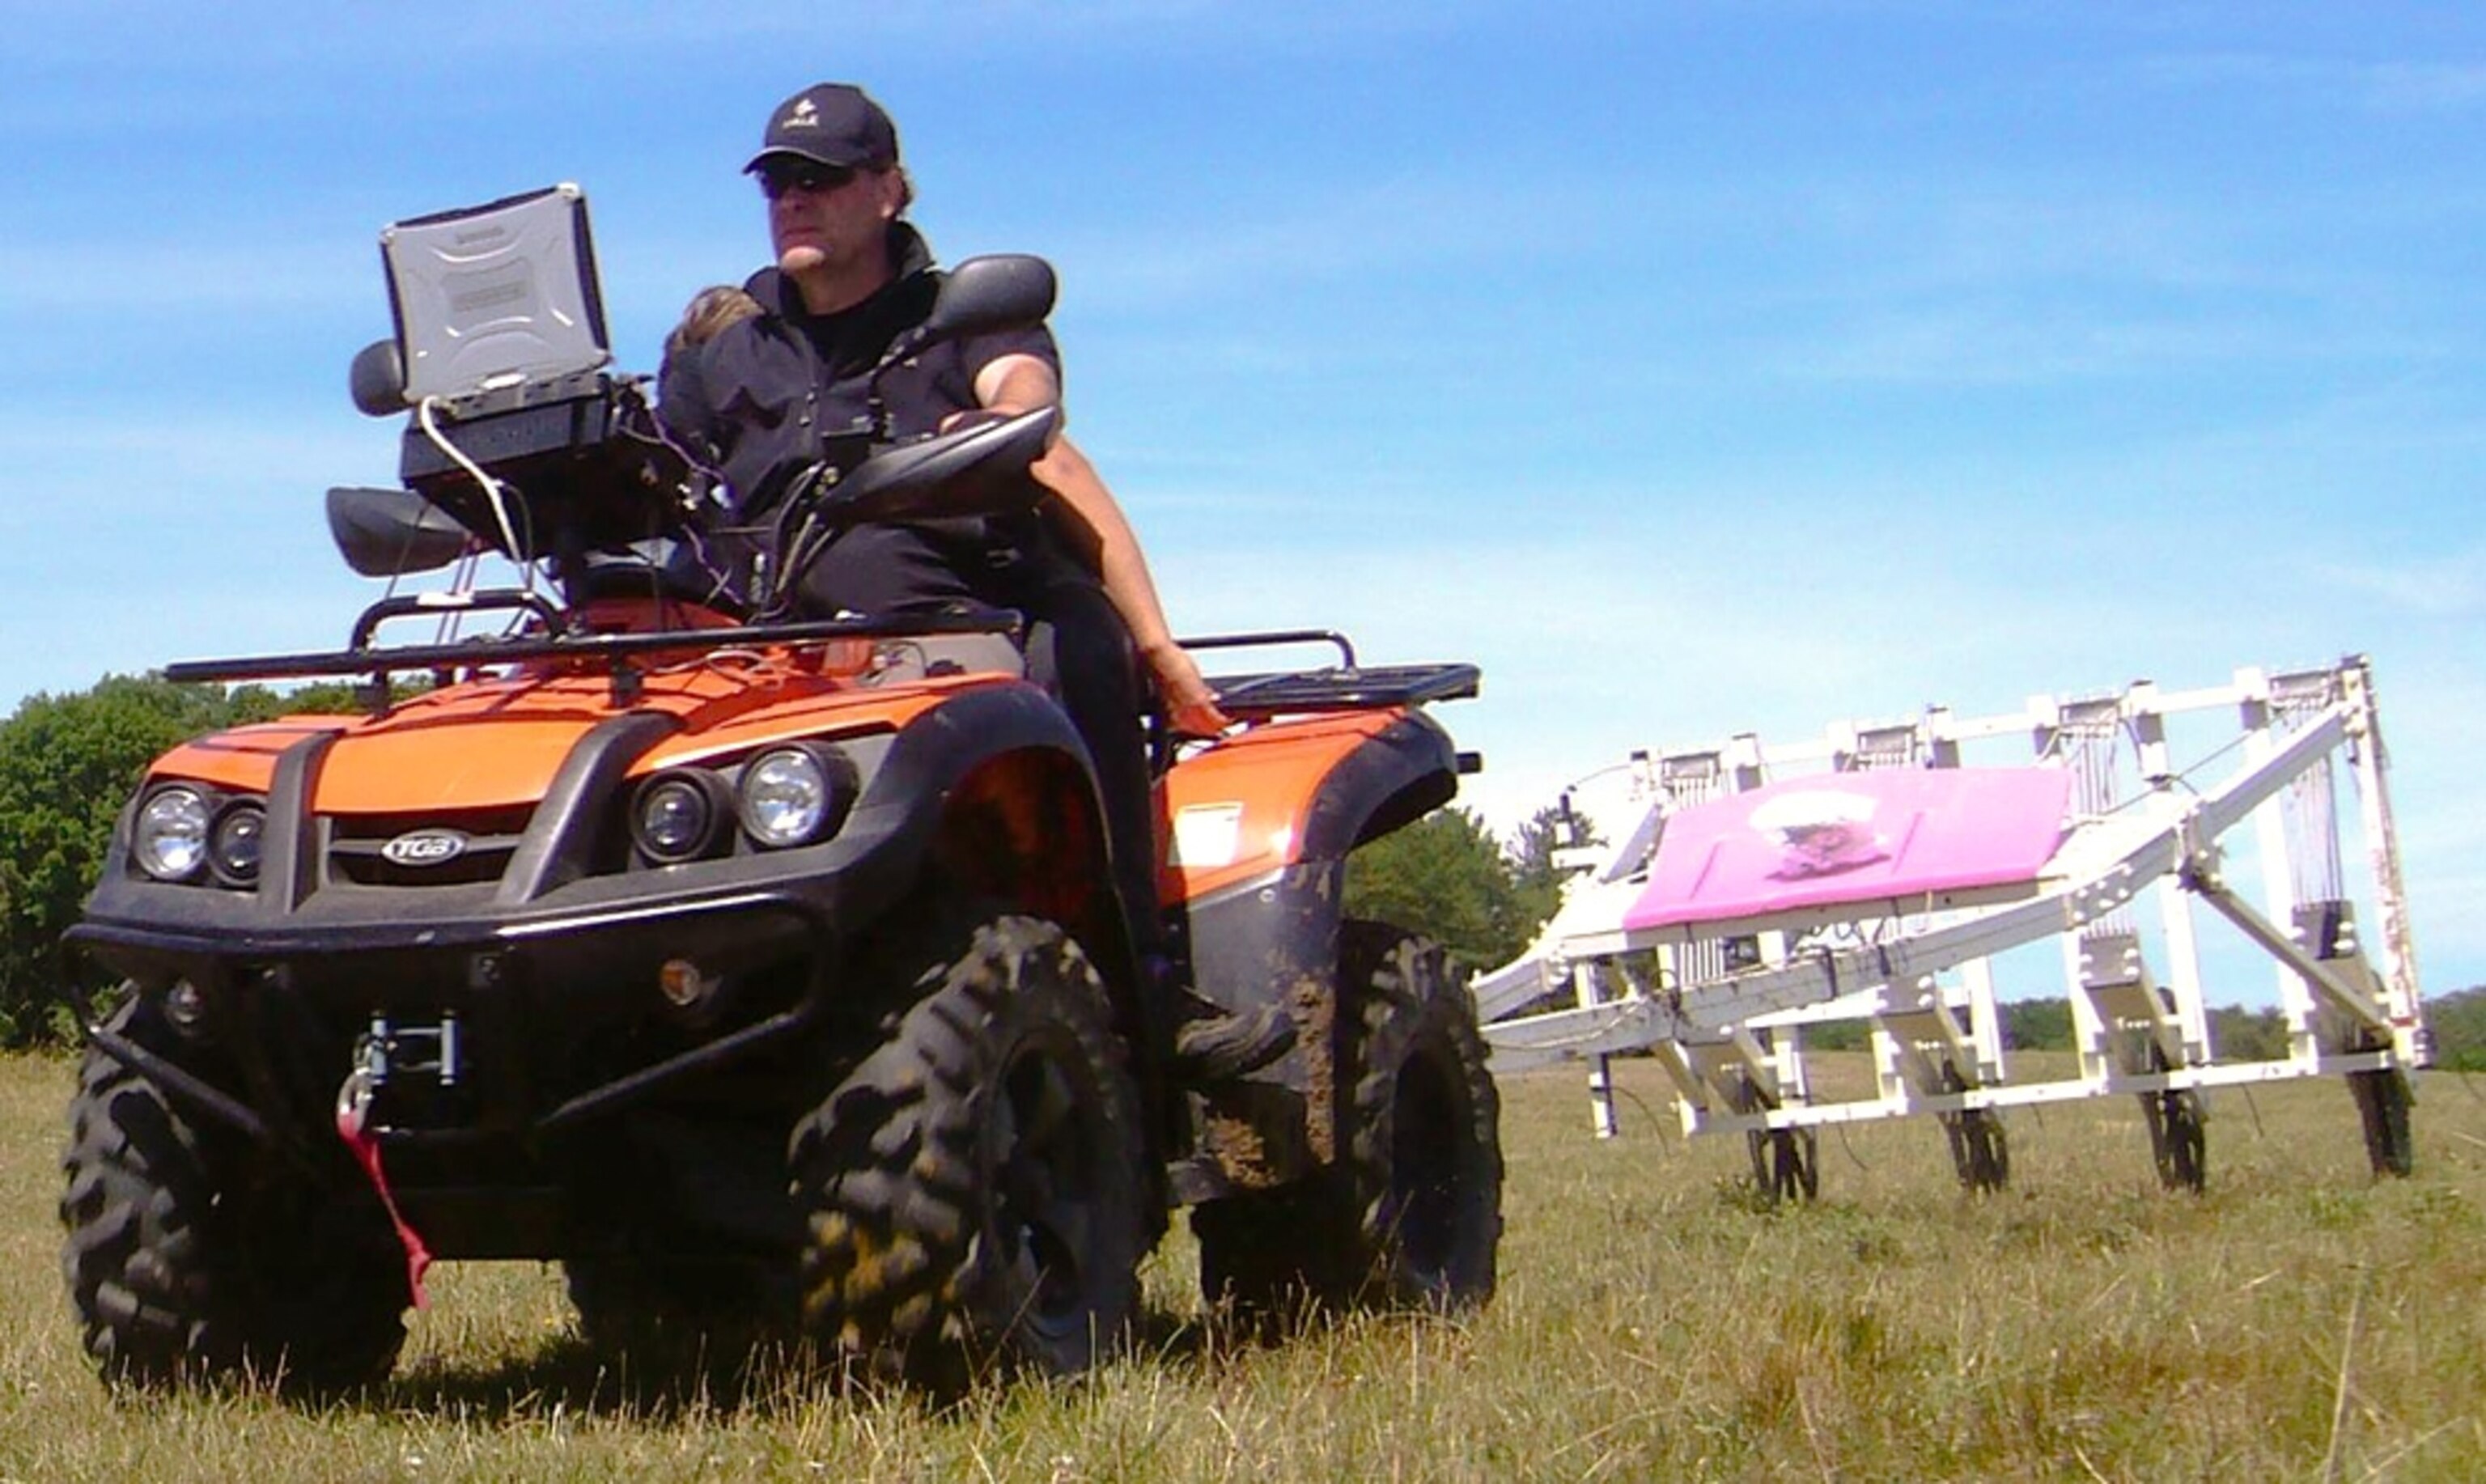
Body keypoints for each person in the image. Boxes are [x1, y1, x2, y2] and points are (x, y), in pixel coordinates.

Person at [659, 82, 1290, 1083]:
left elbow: (1037, 422)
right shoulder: (729, 348)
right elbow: (663, 479)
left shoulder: (961, 320)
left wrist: (1157, 645)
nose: (795, 199)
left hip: (968, 628)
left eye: (822, 178)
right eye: (779, 180)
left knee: (1081, 652)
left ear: (890, 190)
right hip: (779, 653)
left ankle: (1148, 997)